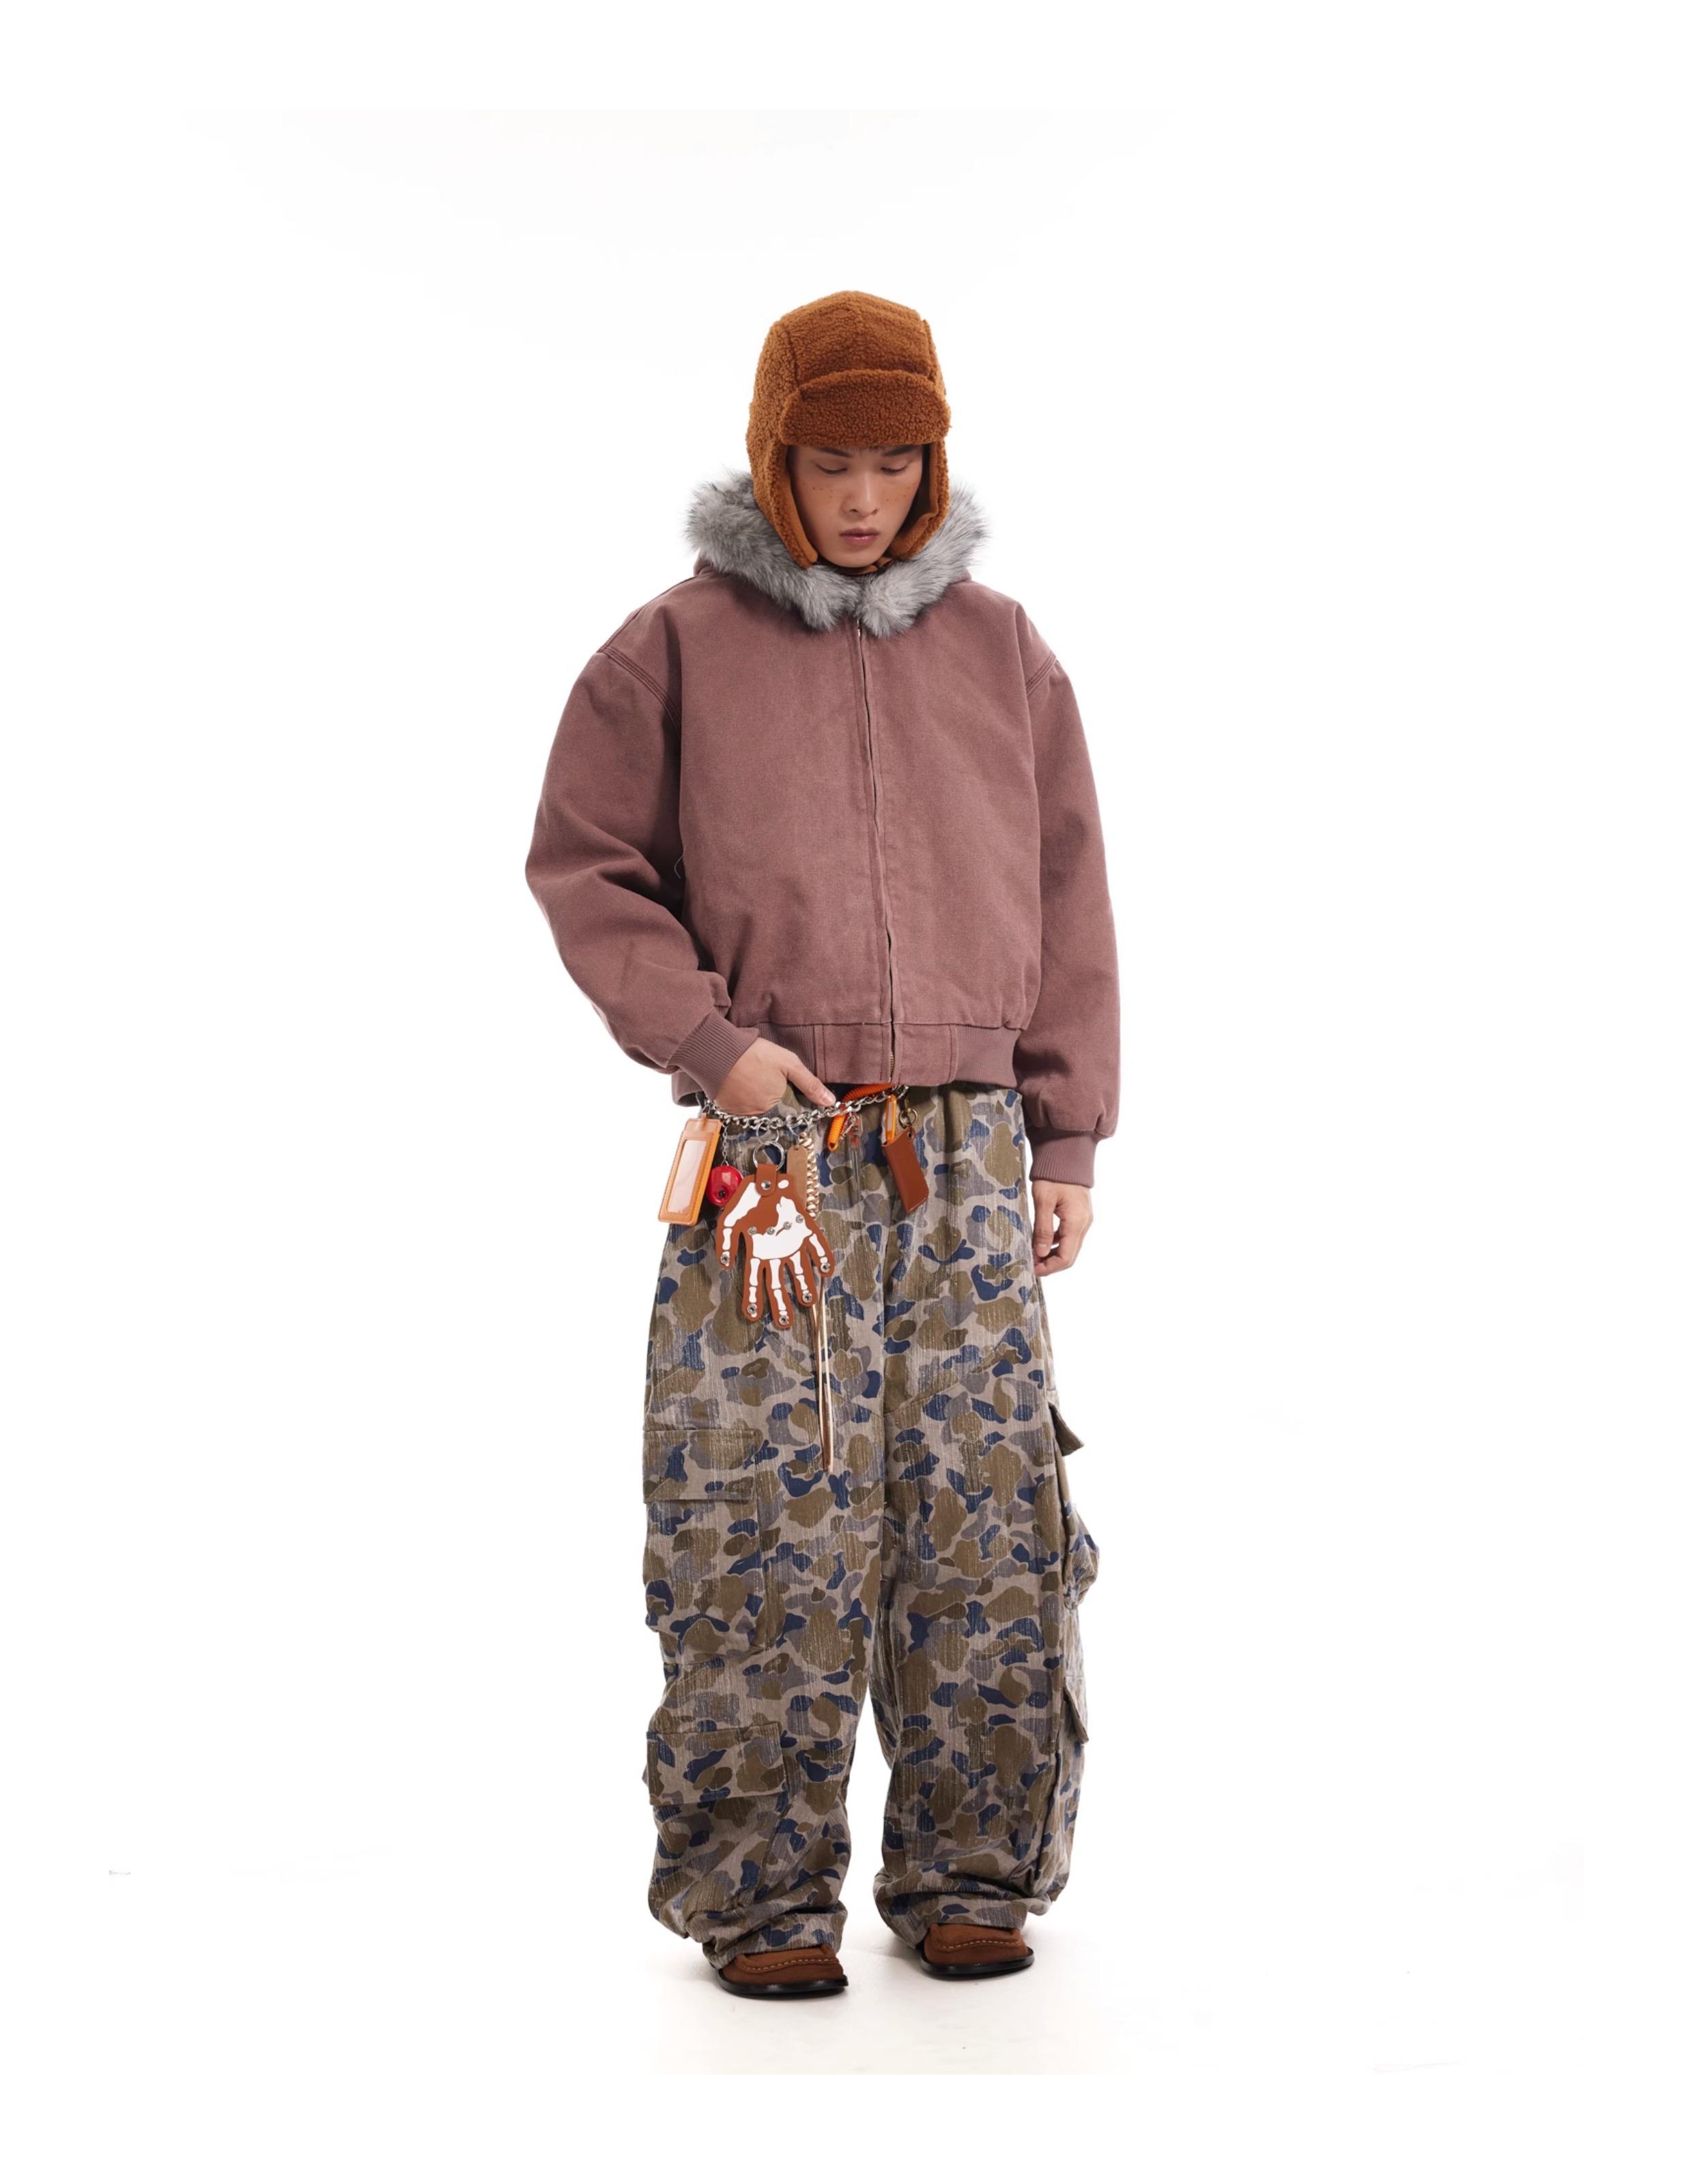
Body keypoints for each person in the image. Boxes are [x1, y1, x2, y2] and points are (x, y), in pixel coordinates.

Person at [524, 290, 1119, 1997]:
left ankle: (973, 1869)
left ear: (934, 464)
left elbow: (1069, 888)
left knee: (983, 1508)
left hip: (971, 1149)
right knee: (755, 1511)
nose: (864, 498)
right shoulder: (672, 650)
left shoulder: (1004, 652)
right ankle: (762, 1895)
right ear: (772, 459)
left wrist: (1065, 1133)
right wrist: (717, 1046)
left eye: (895, 463)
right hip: (768, 1148)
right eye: (830, 464)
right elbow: (585, 867)